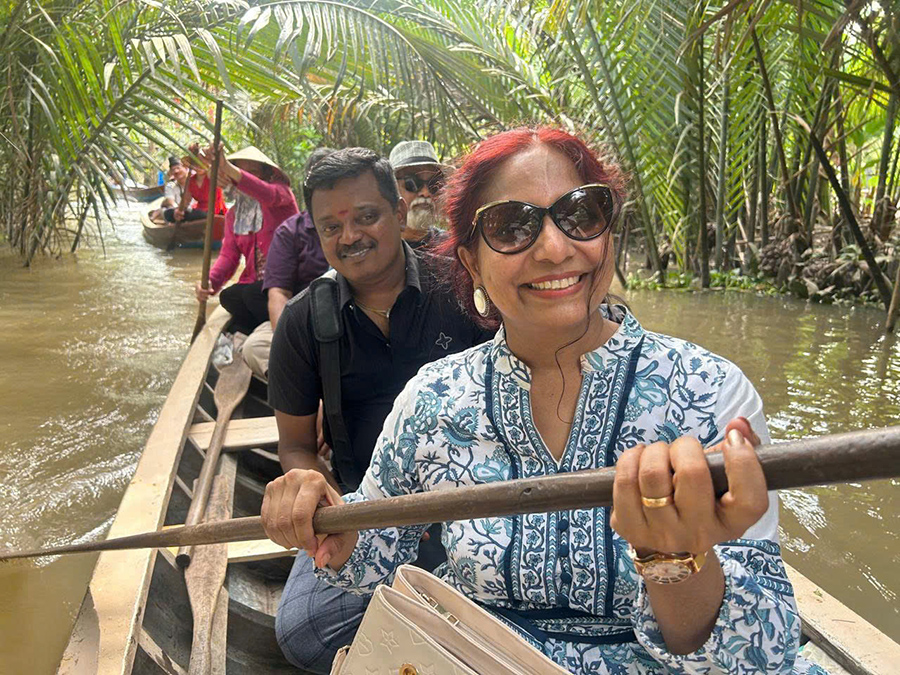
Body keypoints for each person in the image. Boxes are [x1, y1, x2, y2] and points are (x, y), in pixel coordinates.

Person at [260, 128, 827, 675]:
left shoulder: (709, 392)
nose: (556, 249)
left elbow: (752, 660)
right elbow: (370, 556)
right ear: (472, 263)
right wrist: (325, 519)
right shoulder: (433, 398)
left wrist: (673, 560)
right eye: (512, 226)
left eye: (581, 214)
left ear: (608, 234)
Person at [265, 147, 494, 672]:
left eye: (366, 216)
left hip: (465, 504)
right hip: (363, 512)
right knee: (304, 630)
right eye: (331, 227)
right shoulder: (302, 322)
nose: (350, 237)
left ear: (397, 211)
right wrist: (321, 501)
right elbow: (298, 443)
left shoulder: (460, 291)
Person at [241, 149, 333, 379]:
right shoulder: (291, 231)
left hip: (346, 316)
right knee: (254, 347)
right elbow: (278, 293)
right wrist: (287, 342)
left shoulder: (279, 194)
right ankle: (300, 388)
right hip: (302, 319)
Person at [194, 146, 299, 335]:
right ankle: (261, 326)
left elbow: (265, 192)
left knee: (251, 295)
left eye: (254, 173)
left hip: (290, 283)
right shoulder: (234, 215)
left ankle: (283, 328)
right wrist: (210, 281)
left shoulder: (281, 195)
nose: (246, 178)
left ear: (267, 175)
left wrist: (227, 166)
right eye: (242, 173)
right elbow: (228, 256)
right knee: (229, 296)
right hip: (258, 289)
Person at [388, 140, 448, 249]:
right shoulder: (378, 249)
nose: (426, 193)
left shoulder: (449, 248)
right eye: (412, 183)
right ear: (392, 189)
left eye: (434, 185)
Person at [162, 146, 227, 224]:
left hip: (215, 211)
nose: (199, 166)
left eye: (202, 162)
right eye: (196, 163)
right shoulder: (191, 181)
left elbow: (221, 170)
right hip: (199, 211)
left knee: (201, 215)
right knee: (168, 213)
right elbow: (186, 201)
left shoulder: (213, 176)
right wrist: (179, 211)